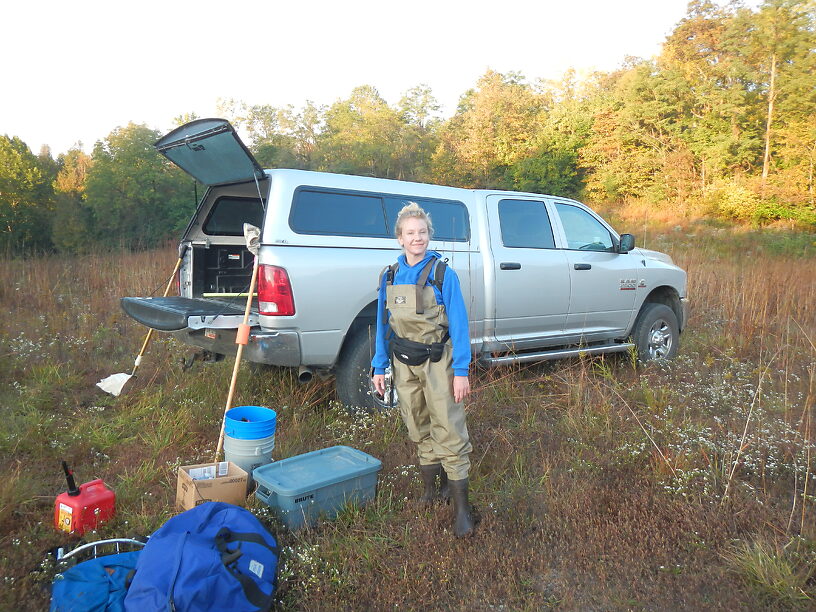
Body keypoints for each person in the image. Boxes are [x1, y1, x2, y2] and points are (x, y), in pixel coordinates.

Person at [371, 202, 475, 537]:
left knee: (448, 427)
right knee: (418, 425)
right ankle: (433, 492)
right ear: (399, 238)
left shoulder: (444, 274)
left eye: (423, 232)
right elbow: (383, 324)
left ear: (429, 235)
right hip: (403, 363)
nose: (418, 238)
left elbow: (459, 325)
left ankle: (462, 509)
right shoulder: (390, 275)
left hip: (437, 363)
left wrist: (461, 371)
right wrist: (378, 364)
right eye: (410, 233)